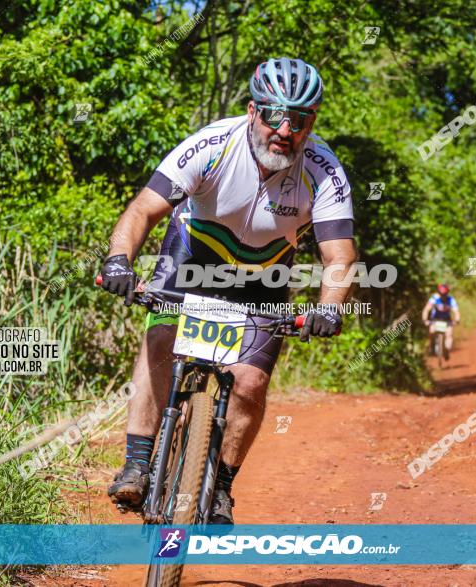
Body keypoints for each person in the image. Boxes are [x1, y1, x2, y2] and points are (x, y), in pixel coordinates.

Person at [99, 57, 356, 525]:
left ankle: (218, 486)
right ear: (253, 111)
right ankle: (138, 460)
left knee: (251, 382)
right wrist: (120, 260)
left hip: (265, 276)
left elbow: (338, 257)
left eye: (298, 120)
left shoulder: (323, 170)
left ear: (310, 124)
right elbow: (142, 211)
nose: (284, 129)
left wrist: (329, 309)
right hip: (193, 258)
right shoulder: (214, 143)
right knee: (161, 339)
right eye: (274, 115)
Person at [421, 283, 461, 359]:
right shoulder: (434, 298)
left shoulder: (451, 300)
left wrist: (457, 320)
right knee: (432, 331)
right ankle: (432, 347)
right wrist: (425, 319)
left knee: (449, 334)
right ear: (438, 293)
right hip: (435, 319)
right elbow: (426, 309)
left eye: (444, 294)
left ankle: (446, 350)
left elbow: (456, 311)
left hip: (447, 320)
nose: (443, 296)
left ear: (447, 293)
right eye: (441, 294)